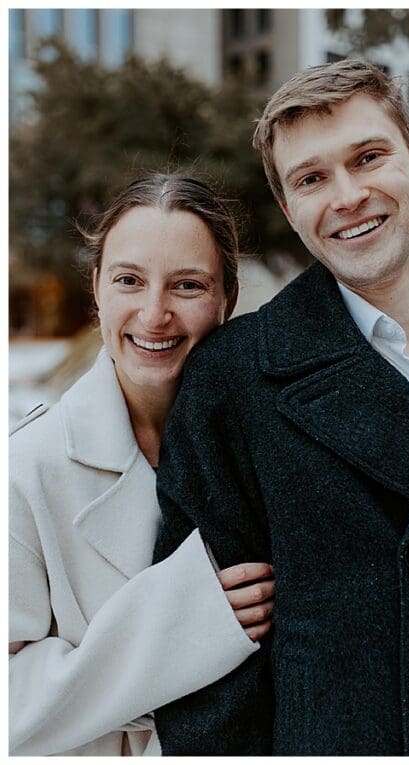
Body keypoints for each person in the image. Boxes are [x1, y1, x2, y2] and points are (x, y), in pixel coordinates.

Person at [151, 59, 409, 755]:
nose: (347, 196)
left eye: (368, 157)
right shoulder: (232, 381)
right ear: (289, 210)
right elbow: (202, 670)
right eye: (311, 179)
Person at [9, 174, 277, 756]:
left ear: (228, 299)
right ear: (97, 288)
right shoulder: (26, 469)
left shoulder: (271, 449)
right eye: (129, 280)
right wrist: (176, 628)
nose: (155, 315)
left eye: (187, 286)